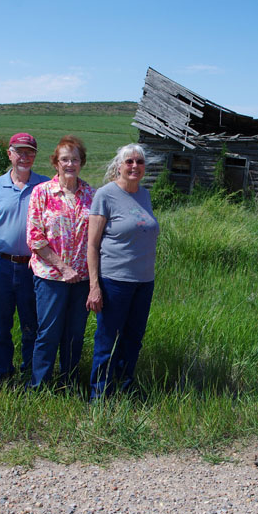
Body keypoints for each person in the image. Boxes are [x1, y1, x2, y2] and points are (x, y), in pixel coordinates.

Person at [85, 144, 159, 400]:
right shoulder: (105, 195)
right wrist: (95, 286)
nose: (135, 166)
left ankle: (125, 388)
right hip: (114, 280)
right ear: (119, 165)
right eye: (129, 161)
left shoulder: (144, 195)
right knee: (107, 340)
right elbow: (92, 244)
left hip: (143, 281)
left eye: (139, 162)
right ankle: (100, 395)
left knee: (133, 339)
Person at [0, 132, 49, 387]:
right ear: (10, 154)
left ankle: (30, 375)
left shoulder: (45, 186)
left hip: (33, 266)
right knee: (0, 325)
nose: (24, 157)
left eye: (29, 152)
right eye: (19, 151)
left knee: (33, 324)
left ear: (35, 156)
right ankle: (1, 375)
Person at [25, 135, 95, 390]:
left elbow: (97, 238)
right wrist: (63, 268)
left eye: (74, 159)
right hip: (50, 278)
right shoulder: (41, 192)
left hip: (82, 280)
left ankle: (69, 383)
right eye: (64, 159)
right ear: (56, 163)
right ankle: (39, 386)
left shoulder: (91, 194)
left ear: (81, 163)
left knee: (75, 335)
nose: (70, 164)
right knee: (48, 333)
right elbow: (35, 238)